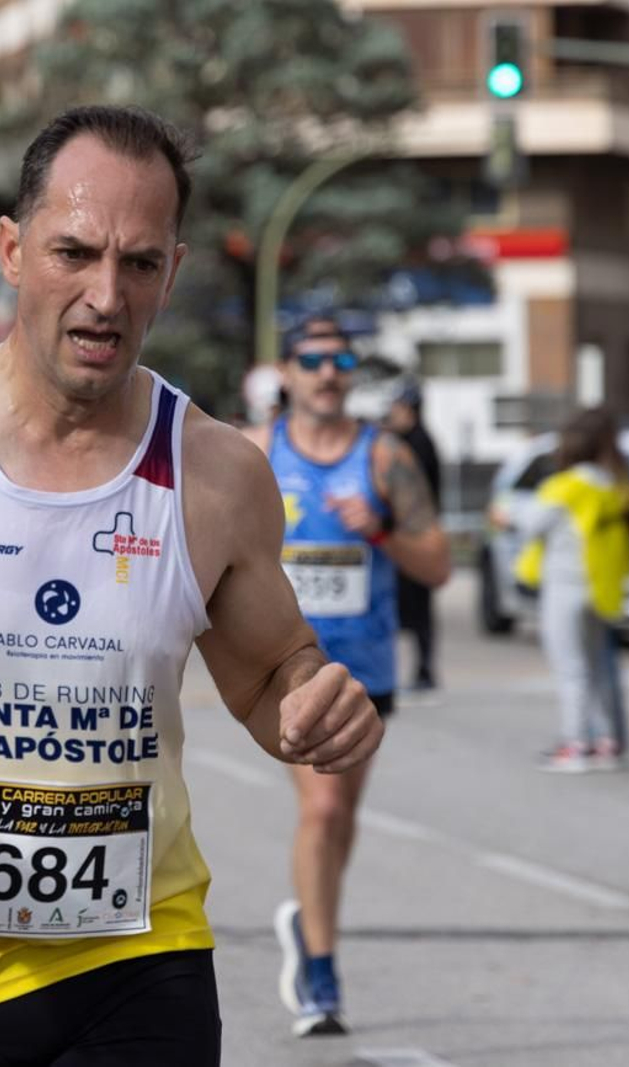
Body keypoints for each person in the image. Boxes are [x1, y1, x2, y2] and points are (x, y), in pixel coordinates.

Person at [0, 105, 385, 1065]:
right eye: (75, 252)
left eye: (139, 263)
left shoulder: (216, 473)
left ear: (171, 274)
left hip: (142, 963)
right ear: (12, 250)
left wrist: (317, 703)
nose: (106, 294)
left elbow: (272, 679)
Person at [245, 320, 449, 1036]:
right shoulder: (257, 450)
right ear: (287, 371)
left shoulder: (385, 457)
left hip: (366, 673)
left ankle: (311, 914)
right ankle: (321, 975)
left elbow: (438, 565)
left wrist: (381, 527)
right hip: (284, 665)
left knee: (342, 816)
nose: (328, 373)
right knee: (323, 810)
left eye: (340, 361)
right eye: (312, 361)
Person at [500, 408, 629, 772]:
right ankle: (606, 741)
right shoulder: (613, 486)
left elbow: (529, 524)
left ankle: (575, 744)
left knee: (570, 669)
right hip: (601, 586)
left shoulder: (564, 486)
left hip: (564, 586)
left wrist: (507, 514)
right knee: (598, 667)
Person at [384, 378, 444, 692]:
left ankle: (423, 671)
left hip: (412, 537)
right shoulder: (415, 440)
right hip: (411, 535)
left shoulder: (414, 445)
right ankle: (418, 669)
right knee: (410, 609)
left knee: (415, 609)